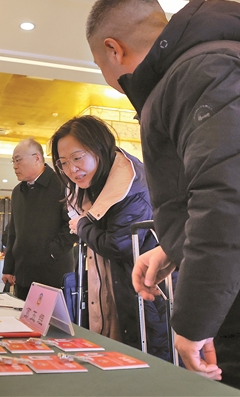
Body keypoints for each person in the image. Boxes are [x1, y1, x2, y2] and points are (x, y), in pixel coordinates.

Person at [86, 0, 240, 396]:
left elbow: (232, 198)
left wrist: (195, 321)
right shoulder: (207, 66)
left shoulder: (201, 70)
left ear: (113, 50)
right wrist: (174, 247)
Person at [50, 115, 171, 361]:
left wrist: (82, 225)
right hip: (124, 290)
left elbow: (117, 244)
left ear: (99, 147)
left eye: (77, 157)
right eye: (63, 163)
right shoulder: (93, 184)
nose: (72, 169)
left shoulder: (129, 183)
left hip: (149, 292)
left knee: (151, 363)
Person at [2, 138, 77, 300]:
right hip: (22, 274)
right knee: (22, 314)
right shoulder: (18, 191)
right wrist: (8, 267)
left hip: (52, 273)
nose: (15, 166)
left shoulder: (62, 185)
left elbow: (72, 225)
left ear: (37, 158)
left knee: (50, 316)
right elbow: (13, 232)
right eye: (13, 161)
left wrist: (52, 252)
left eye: (18, 160)